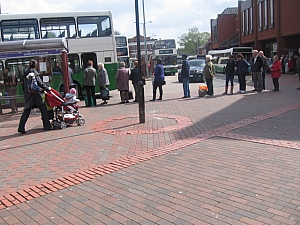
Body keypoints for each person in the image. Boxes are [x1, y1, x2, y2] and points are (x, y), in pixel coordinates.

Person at [18, 60, 52, 134]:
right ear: (35, 66)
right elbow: (40, 83)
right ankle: (47, 126)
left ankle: (21, 127)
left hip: (28, 95)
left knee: (26, 111)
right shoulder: (35, 73)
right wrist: (47, 88)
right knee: (43, 110)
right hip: (36, 95)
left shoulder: (26, 73)